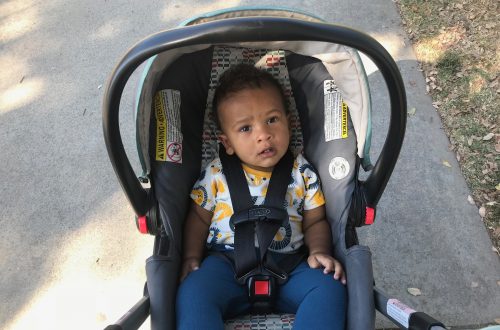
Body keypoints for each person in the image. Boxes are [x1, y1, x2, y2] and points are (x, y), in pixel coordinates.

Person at [176, 63, 346, 329]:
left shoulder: (302, 171)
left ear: (288, 124)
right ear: (227, 143)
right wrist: (190, 257)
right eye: (245, 128)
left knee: (329, 288)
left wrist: (319, 251)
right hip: (225, 264)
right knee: (194, 293)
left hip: (291, 265)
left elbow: (315, 221)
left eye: (272, 120)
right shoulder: (215, 174)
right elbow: (198, 217)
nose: (263, 134)